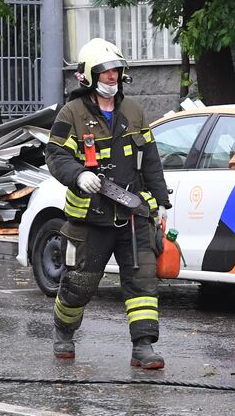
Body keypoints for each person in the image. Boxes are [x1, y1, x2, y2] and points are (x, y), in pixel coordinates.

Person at [45, 39, 172, 368]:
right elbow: (55, 154)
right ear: (86, 76)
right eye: (105, 71)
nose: (112, 77)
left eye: (116, 71)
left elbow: (152, 161)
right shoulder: (71, 113)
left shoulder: (134, 112)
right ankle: (64, 332)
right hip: (90, 217)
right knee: (79, 284)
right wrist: (77, 175)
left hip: (132, 215)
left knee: (143, 281)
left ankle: (143, 347)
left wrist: (162, 203)